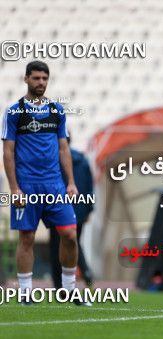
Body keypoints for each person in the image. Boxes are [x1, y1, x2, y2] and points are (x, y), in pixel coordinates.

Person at [2, 61, 79, 305]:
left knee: (69, 235)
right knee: (27, 238)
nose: (41, 83)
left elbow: (64, 148)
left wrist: (71, 183)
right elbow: (7, 152)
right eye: (36, 78)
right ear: (26, 79)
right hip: (27, 185)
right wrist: (14, 188)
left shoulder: (57, 111)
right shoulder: (15, 112)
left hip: (55, 185)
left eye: (45, 78)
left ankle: (69, 289)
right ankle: (25, 293)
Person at [49, 133, 94, 290]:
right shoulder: (83, 160)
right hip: (80, 209)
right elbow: (90, 187)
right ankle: (86, 273)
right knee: (74, 244)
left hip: (60, 208)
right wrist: (89, 209)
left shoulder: (54, 159)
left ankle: (59, 285)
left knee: (57, 248)